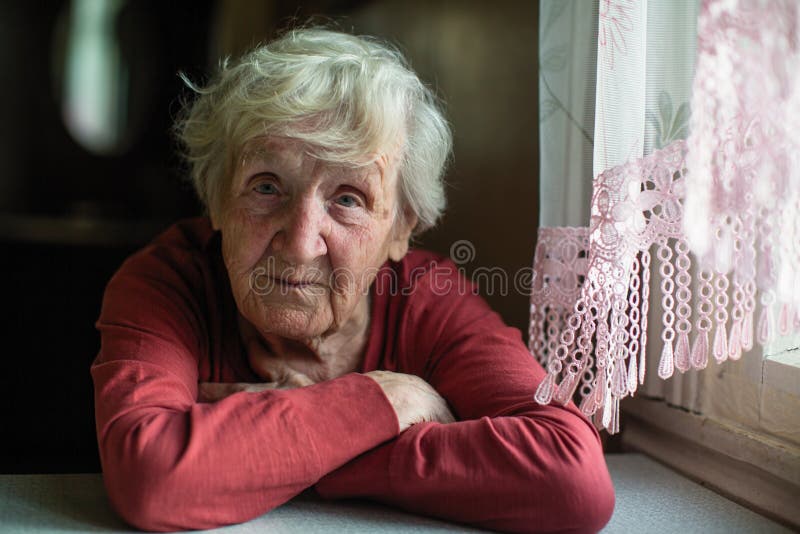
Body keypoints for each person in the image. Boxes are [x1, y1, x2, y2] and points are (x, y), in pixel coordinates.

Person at [91, 27, 615, 533]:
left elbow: (571, 478)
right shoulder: (167, 283)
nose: (299, 242)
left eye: (348, 198)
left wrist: (285, 444)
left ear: (400, 228)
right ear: (218, 200)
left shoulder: (426, 298)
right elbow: (150, 477)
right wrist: (384, 402)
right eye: (267, 186)